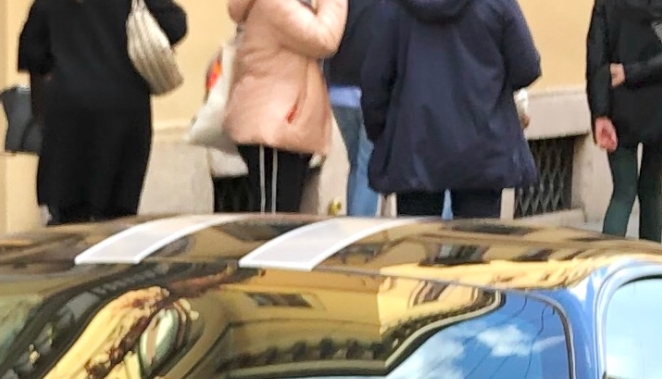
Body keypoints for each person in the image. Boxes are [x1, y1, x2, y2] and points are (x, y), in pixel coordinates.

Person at [361, 0, 542, 218]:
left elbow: (375, 80)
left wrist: (380, 131)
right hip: (483, 144)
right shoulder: (497, 3)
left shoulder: (393, 6)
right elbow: (527, 68)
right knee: (475, 243)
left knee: (418, 245)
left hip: (414, 142)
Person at [18, 0, 191, 225]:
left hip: (70, 114)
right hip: (125, 109)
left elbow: (34, 54)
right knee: (118, 216)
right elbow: (176, 23)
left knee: (69, 219)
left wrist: (42, 117)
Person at [587, 0, 662, 242]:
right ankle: (651, 264)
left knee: (622, 191)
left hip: (619, 103)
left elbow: (596, 56)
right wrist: (635, 71)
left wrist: (599, 113)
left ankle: (606, 267)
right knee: (651, 188)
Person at [223, 0, 347, 215]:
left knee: (283, 216)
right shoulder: (276, 4)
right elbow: (324, 38)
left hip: (284, 122)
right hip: (272, 125)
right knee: (271, 219)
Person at [326, 0, 389, 216]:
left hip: (338, 88)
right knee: (366, 168)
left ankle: (353, 228)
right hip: (374, 88)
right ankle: (361, 238)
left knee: (356, 165)